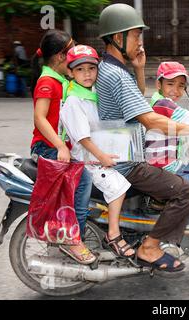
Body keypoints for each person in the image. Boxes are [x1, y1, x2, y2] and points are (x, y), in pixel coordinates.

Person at [96, 3, 189, 272]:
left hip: (119, 152)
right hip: (126, 162)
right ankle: (150, 248)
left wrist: (139, 68)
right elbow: (151, 119)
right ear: (119, 38)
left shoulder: (111, 68)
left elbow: (135, 99)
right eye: (136, 36)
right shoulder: (116, 74)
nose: (140, 42)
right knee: (186, 191)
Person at [60, 44, 135, 258]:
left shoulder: (91, 94)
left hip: (96, 155)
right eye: (80, 69)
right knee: (118, 186)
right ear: (70, 72)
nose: (87, 74)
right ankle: (113, 234)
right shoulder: (74, 100)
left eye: (91, 69)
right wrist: (102, 157)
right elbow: (82, 137)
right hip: (86, 161)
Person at [29, 30, 96, 265]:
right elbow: (40, 118)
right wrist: (60, 146)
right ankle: (73, 239)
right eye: (71, 51)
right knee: (84, 179)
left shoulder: (61, 80)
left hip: (58, 145)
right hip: (47, 147)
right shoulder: (47, 82)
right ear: (60, 57)